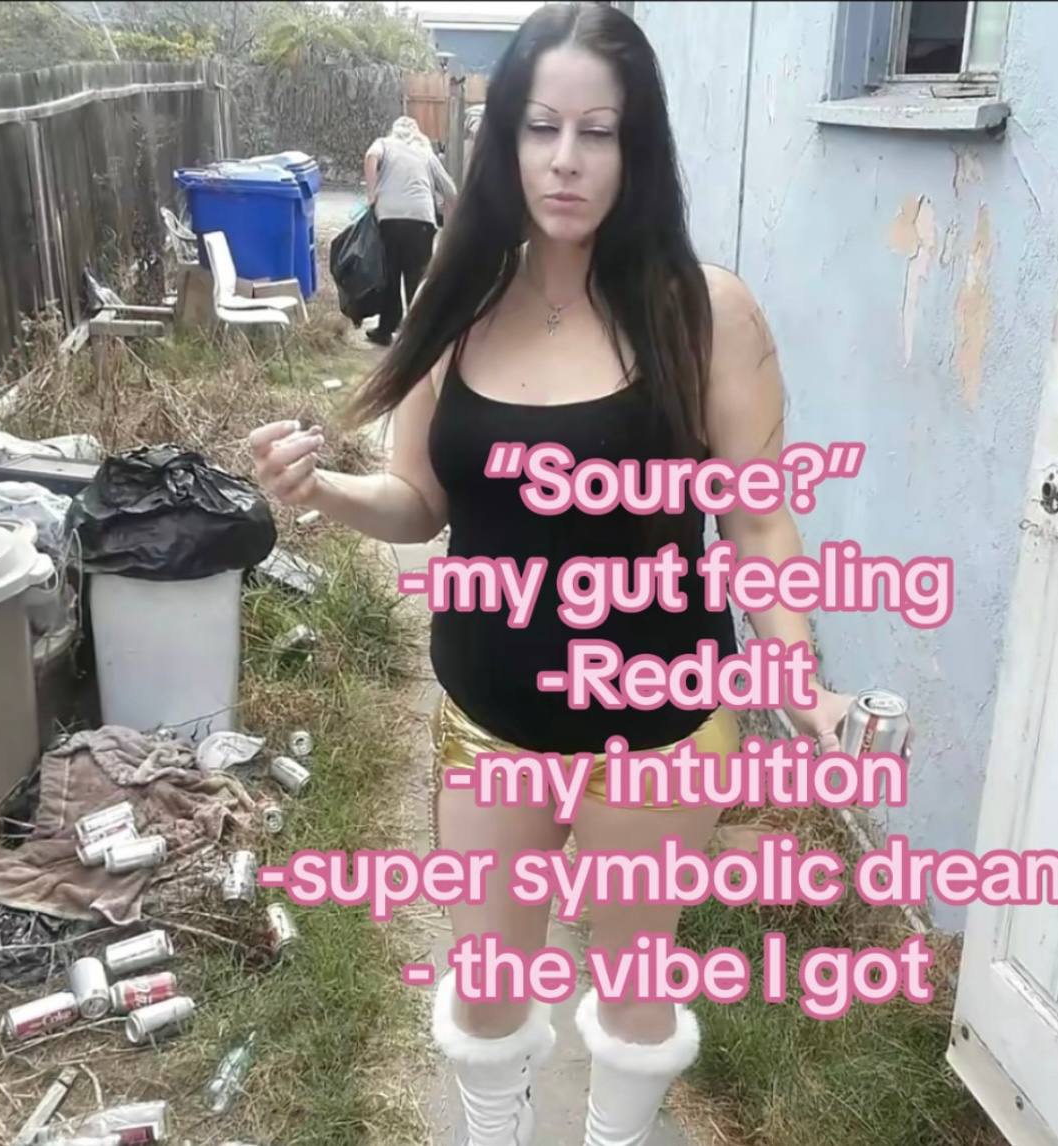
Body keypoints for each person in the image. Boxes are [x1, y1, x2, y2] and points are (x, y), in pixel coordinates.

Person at [250, 6, 852, 1144]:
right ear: (505, 143)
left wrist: (799, 674)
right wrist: (320, 490)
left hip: (660, 732)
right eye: (541, 128)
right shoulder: (461, 305)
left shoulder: (705, 313)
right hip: (489, 722)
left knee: (632, 997)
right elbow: (420, 500)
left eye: (599, 131)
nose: (567, 159)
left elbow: (757, 520)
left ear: (639, 146)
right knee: (485, 997)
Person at [363, 116, 458, 347]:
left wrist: (372, 194)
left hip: (389, 218)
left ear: (394, 131)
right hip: (421, 220)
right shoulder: (426, 153)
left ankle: (386, 329)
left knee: (390, 276)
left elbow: (370, 156)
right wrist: (450, 226)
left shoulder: (385, 143)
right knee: (417, 277)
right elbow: (451, 192)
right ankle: (416, 334)